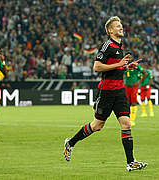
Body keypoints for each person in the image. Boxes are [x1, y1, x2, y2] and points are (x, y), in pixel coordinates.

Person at [63, 16, 147, 172]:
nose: (121, 27)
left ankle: (131, 162)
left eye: (121, 25)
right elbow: (97, 67)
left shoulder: (120, 46)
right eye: (117, 26)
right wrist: (120, 64)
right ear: (110, 30)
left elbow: (115, 68)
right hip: (107, 92)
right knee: (97, 125)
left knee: (126, 123)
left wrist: (126, 67)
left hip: (120, 90)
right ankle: (71, 142)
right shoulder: (107, 45)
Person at [124, 58, 147, 126]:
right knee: (127, 103)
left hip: (134, 87)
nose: (129, 58)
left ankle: (132, 120)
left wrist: (139, 82)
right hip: (127, 86)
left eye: (130, 57)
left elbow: (145, 74)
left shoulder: (136, 66)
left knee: (133, 102)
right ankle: (128, 119)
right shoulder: (124, 65)